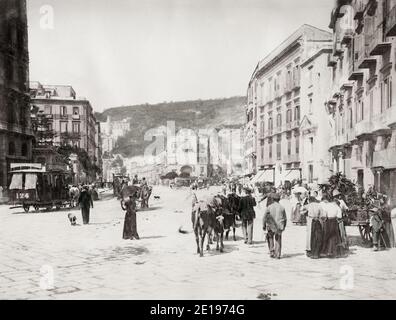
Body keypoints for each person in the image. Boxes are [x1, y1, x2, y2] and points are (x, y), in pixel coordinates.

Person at [263, 193, 287, 259]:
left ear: (273, 199)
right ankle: (278, 254)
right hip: (279, 226)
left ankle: (271, 251)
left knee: (270, 238)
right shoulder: (282, 207)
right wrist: (284, 226)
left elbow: (265, 217)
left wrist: (263, 225)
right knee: (278, 239)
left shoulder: (269, 207)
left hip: (271, 225)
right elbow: (285, 218)